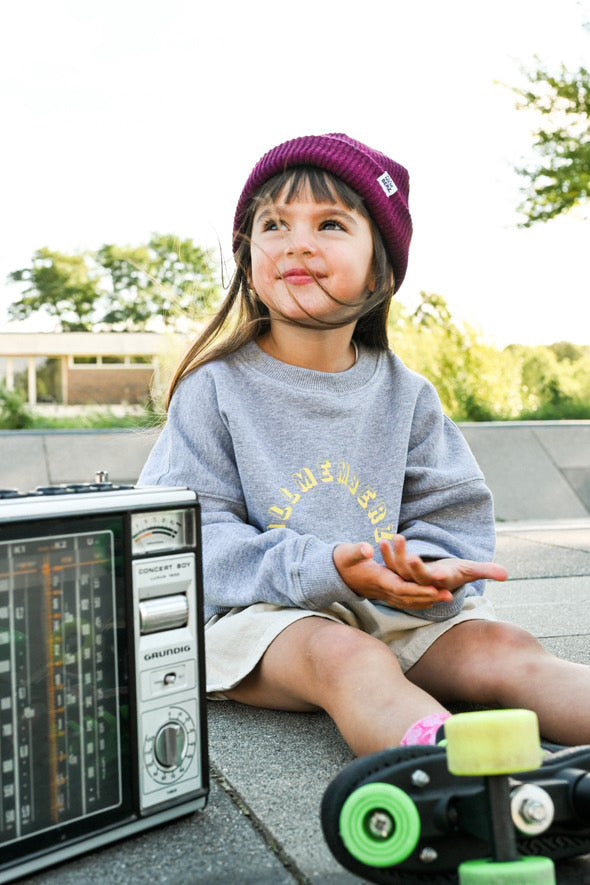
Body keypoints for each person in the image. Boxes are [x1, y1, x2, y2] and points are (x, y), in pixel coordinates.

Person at [139, 133, 590, 756]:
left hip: (384, 607)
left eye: (329, 224)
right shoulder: (213, 389)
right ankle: (473, 787)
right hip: (255, 618)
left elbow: (447, 517)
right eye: (273, 224)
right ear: (248, 259)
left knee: (504, 647)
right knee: (345, 656)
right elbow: (187, 534)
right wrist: (321, 569)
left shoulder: (407, 394)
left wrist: (424, 573)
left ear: (380, 267)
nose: (297, 241)